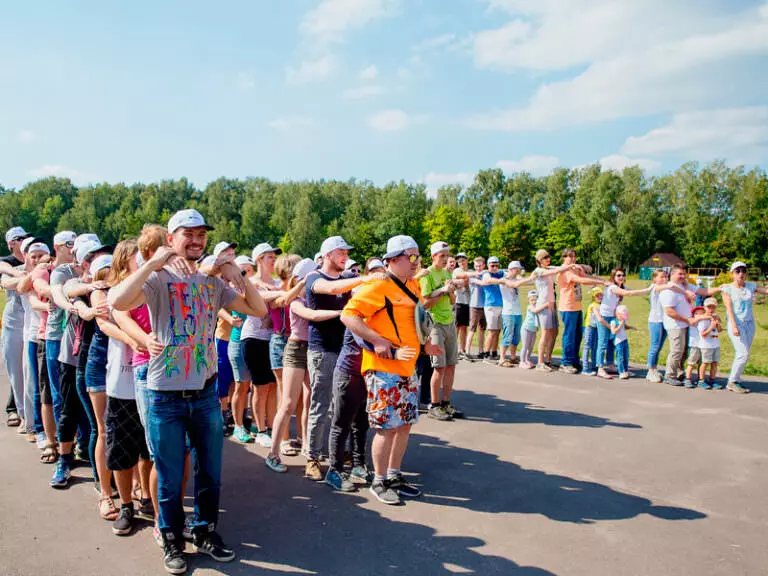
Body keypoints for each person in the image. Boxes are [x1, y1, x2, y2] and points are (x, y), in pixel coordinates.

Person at [110, 208, 266, 574]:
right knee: (168, 475)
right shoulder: (158, 278)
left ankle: (205, 531)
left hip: (205, 394)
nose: (196, 241)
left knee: (209, 472)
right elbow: (118, 302)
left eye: (201, 235)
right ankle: (171, 539)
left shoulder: (211, 282)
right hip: (164, 395)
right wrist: (153, 263)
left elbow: (258, 309)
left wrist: (238, 273)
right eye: (188, 234)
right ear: (171, 239)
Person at [341, 235, 441, 505]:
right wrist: (377, 340)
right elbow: (348, 315)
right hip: (383, 369)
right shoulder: (378, 285)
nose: (416, 262)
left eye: (418, 256)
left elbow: (415, 320)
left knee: (404, 424)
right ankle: (379, 480)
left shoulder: (413, 284)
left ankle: (394, 475)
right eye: (411, 257)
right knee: (386, 427)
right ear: (393, 259)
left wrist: (425, 345)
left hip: (408, 367)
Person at [304, 236, 374, 481]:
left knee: (345, 407)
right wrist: (365, 278)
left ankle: (342, 454)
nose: (346, 256)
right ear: (327, 255)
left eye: (347, 252)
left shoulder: (347, 278)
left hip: (345, 351)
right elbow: (332, 289)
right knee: (320, 405)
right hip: (322, 350)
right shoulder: (314, 277)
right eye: (341, 252)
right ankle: (312, 458)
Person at [242, 242, 283, 447]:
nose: (273, 260)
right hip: (254, 339)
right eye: (269, 257)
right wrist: (280, 293)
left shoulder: (278, 282)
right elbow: (257, 297)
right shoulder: (251, 281)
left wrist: (279, 291)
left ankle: (273, 427)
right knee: (260, 387)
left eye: (274, 257)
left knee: (273, 386)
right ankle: (260, 429)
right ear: (259, 260)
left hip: (273, 340)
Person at [659, 263, 719, 387]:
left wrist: (720, 288)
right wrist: (687, 320)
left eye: (684, 274)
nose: (683, 276)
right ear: (672, 274)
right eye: (680, 274)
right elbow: (669, 312)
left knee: (684, 351)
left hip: (687, 324)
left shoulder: (684, 286)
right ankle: (669, 375)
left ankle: (680, 372)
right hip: (675, 325)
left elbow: (703, 291)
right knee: (677, 350)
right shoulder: (668, 291)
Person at [420, 241, 459, 422]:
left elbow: (452, 301)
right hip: (435, 324)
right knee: (439, 367)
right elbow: (426, 303)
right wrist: (443, 290)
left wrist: (449, 291)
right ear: (433, 257)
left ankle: (446, 402)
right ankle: (434, 405)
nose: (445, 259)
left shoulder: (446, 273)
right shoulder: (427, 275)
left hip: (449, 321)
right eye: (442, 256)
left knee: (451, 365)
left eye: (447, 255)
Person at [721, 261, 768, 393]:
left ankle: (737, 379)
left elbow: (765, 291)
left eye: (743, 271)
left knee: (744, 354)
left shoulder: (750, 286)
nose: (741, 274)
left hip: (749, 324)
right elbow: (729, 309)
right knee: (743, 353)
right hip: (736, 323)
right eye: (738, 271)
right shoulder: (727, 289)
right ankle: (731, 382)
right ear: (732, 274)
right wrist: (734, 326)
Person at [596, 268, 652, 380]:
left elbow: (633, 292)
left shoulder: (622, 287)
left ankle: (611, 365)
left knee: (611, 342)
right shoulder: (612, 287)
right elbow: (629, 293)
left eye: (623, 275)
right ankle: (600, 368)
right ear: (613, 277)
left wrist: (649, 291)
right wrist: (648, 289)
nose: (621, 277)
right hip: (605, 316)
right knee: (602, 343)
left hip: (613, 316)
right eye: (618, 275)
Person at [558, 248, 606, 374]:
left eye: (574, 256)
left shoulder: (575, 268)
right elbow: (581, 280)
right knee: (569, 335)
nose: (572, 259)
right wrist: (600, 281)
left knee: (577, 335)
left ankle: (574, 360)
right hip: (568, 307)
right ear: (564, 258)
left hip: (577, 306)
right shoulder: (564, 271)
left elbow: (585, 277)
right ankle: (566, 362)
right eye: (570, 256)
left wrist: (599, 279)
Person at [1, 226, 29, 429]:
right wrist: (22, 275)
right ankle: (17, 410)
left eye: (25, 237)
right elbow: (3, 270)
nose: (24, 241)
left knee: (30, 368)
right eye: (20, 239)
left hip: (33, 319)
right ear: (11, 243)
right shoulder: (7, 262)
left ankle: (28, 413)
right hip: (14, 318)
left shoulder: (36, 257)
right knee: (15, 367)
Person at [529, 250, 574, 372]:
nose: (548, 259)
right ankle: (540, 362)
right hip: (544, 305)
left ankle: (548, 359)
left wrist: (578, 266)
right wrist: (569, 266)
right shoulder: (538, 271)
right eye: (545, 258)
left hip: (552, 304)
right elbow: (555, 271)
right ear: (539, 260)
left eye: (548, 257)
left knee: (554, 332)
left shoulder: (548, 269)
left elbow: (558, 268)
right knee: (545, 334)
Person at [485, 261, 533, 367]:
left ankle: (512, 356)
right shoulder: (504, 280)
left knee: (516, 336)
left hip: (518, 312)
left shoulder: (518, 278)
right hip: (508, 312)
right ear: (511, 269)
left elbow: (528, 282)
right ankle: (502, 359)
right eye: (517, 269)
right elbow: (514, 285)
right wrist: (530, 277)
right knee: (507, 336)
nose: (519, 271)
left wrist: (537, 278)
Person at [228, 255, 255, 444]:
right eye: (243, 271)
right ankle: (238, 426)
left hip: (254, 342)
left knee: (255, 387)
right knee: (241, 385)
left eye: (249, 270)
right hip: (237, 342)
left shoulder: (253, 287)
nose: (247, 274)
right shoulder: (232, 289)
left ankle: (252, 421)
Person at [478, 256, 504, 363]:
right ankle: (486, 353)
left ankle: (494, 352)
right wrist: (502, 281)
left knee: (498, 331)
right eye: (492, 265)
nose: (494, 267)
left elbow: (511, 274)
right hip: (490, 305)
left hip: (501, 305)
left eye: (496, 265)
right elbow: (489, 280)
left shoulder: (500, 273)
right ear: (488, 265)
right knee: (492, 331)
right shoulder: (486, 274)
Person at [646, 269, 670, 383]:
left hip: (664, 320)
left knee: (659, 347)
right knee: (654, 346)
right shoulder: (655, 287)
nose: (665, 279)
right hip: (655, 321)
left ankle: (654, 368)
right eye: (661, 277)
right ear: (654, 279)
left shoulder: (665, 289)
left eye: (666, 277)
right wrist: (672, 285)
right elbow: (662, 287)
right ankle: (650, 370)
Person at [696, 299, 722, 390]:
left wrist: (717, 325)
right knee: (705, 362)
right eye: (709, 307)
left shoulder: (715, 317)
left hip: (715, 344)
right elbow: (703, 334)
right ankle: (701, 380)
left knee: (715, 363)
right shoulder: (703, 320)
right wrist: (711, 327)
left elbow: (719, 330)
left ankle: (712, 379)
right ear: (704, 307)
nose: (711, 309)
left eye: (713, 307)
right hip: (706, 345)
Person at [464, 256, 486, 360]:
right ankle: (467, 351)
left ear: (484, 265)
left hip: (485, 305)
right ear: (474, 266)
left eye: (480, 266)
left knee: (482, 329)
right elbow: (481, 283)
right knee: (472, 329)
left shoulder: (485, 275)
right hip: (475, 306)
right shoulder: (472, 276)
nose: (478, 268)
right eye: (476, 266)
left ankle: (481, 351)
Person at [451, 253, 471, 359]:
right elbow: (460, 280)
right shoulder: (456, 271)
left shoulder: (470, 271)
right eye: (459, 261)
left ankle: (462, 349)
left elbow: (466, 282)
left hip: (467, 302)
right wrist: (463, 281)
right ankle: (453, 349)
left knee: (464, 327)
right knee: (457, 326)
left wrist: (463, 282)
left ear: (467, 261)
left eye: (463, 260)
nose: (461, 262)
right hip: (458, 302)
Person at [683, 307, 708, 389]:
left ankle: (701, 379)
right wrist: (705, 316)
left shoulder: (705, 322)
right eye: (696, 313)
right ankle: (687, 379)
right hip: (694, 345)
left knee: (702, 363)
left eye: (702, 313)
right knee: (691, 363)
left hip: (703, 345)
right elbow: (694, 321)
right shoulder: (693, 321)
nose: (699, 315)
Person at [581, 287, 604, 376]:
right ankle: (585, 368)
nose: (599, 297)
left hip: (596, 327)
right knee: (587, 346)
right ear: (593, 297)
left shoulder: (601, 305)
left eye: (601, 295)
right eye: (597, 295)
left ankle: (594, 365)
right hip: (589, 327)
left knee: (595, 346)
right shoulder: (593, 305)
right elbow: (599, 318)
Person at [610, 305, 635, 380]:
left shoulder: (623, 321)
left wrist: (630, 327)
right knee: (620, 357)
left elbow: (625, 326)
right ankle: (621, 372)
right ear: (617, 314)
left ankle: (626, 371)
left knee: (626, 356)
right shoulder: (613, 322)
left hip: (624, 340)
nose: (623, 317)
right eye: (622, 315)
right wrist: (620, 325)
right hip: (618, 342)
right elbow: (613, 331)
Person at [518, 291, 540, 369]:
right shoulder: (529, 307)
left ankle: (527, 359)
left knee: (531, 346)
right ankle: (522, 362)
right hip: (526, 329)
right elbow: (535, 311)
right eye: (532, 300)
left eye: (535, 300)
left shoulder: (537, 307)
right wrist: (545, 305)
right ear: (528, 300)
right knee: (525, 346)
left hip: (533, 330)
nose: (534, 302)